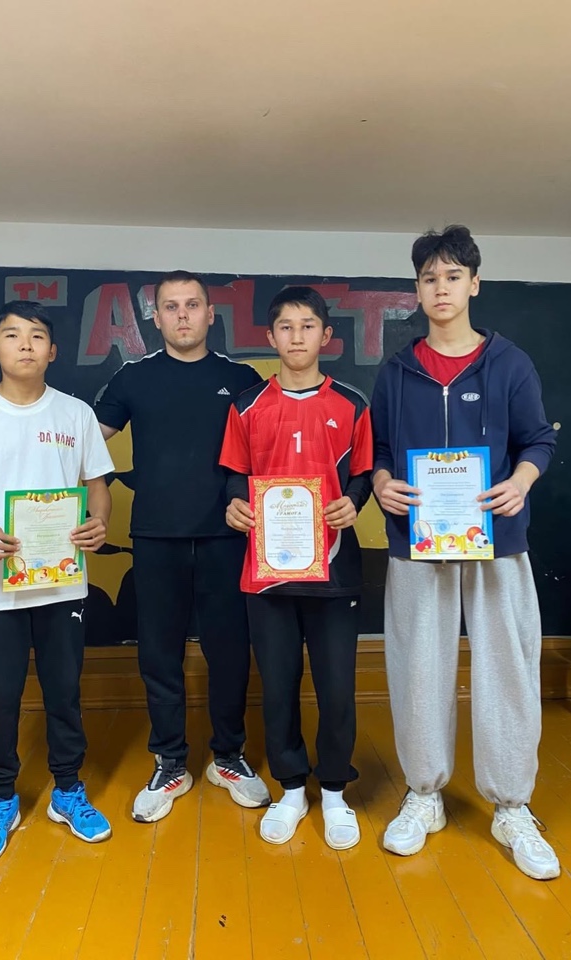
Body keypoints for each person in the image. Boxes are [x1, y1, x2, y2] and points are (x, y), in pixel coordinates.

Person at [371, 225, 560, 880]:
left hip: (496, 541)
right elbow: (380, 450)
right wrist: (382, 482)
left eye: (453, 276)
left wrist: (521, 482)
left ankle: (512, 805)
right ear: (417, 289)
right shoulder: (397, 371)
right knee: (418, 666)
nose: (441, 288)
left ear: (474, 284)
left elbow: (538, 441)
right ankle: (424, 794)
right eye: (429, 278)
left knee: (507, 666)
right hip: (418, 543)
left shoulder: (509, 363)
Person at [0, 300, 114, 866]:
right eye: (12, 335)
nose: (25, 344)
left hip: (61, 582)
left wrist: (99, 521)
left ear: (53, 351)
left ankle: (68, 790)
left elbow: (97, 483)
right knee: (1, 694)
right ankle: (1, 798)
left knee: (64, 689)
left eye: (36, 335)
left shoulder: (75, 414)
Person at [94, 270, 270, 822]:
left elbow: (266, 454)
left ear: (211, 314)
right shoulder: (133, 378)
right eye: (171, 306)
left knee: (229, 650)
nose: (183, 315)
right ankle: (170, 760)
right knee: (159, 652)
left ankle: (228, 756)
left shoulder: (241, 378)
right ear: (157, 317)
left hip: (227, 535)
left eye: (193, 304)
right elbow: (86, 443)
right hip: (155, 536)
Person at [220, 286, 373, 849]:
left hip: (333, 568)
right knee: (278, 684)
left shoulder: (352, 403)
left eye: (308, 326)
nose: (297, 336)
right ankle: (290, 788)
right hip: (269, 572)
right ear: (270, 337)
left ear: (326, 336)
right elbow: (234, 475)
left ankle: (333, 790)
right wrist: (234, 505)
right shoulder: (247, 405)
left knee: (336, 687)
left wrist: (354, 502)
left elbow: (363, 475)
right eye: (286, 326)